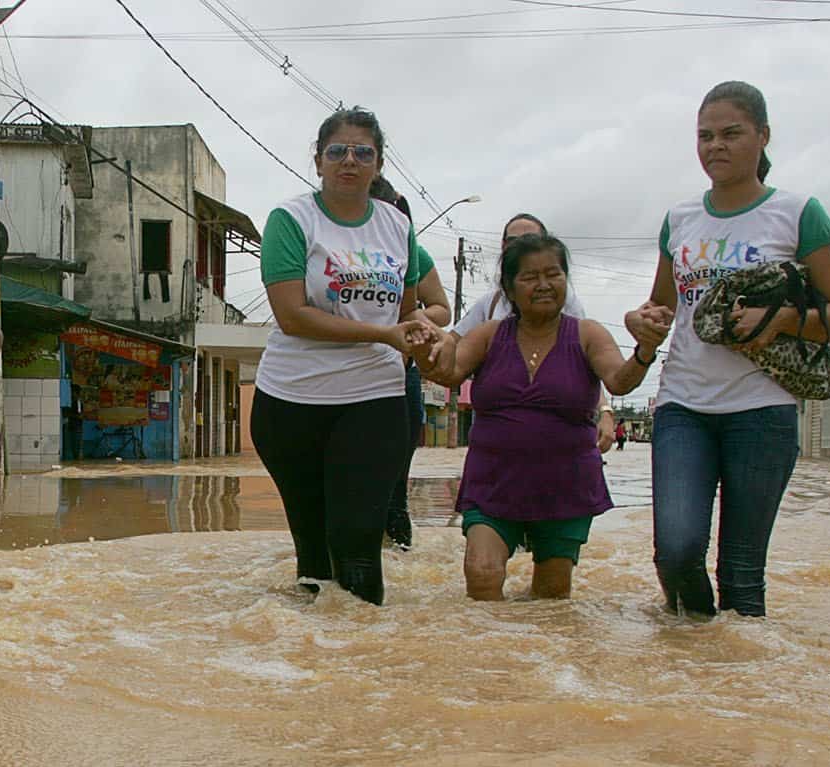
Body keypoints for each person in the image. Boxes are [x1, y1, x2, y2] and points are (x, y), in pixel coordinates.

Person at [626, 80, 830, 618]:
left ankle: (727, 691)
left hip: (763, 410)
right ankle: (693, 656)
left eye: (731, 133)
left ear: (763, 136)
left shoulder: (799, 213)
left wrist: (776, 321)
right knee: (677, 552)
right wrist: (640, 320)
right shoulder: (679, 220)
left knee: (742, 576)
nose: (715, 146)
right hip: (683, 404)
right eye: (704, 136)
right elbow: (661, 306)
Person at [251, 107, 451, 605]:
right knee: (315, 553)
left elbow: (407, 315)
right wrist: (381, 335)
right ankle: (311, 670)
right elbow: (292, 315)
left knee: (359, 548)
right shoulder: (291, 220)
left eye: (364, 152)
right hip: (290, 403)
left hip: (374, 399)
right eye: (337, 151)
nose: (349, 161)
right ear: (318, 160)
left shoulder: (397, 227)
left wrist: (420, 335)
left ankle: (369, 668)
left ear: (378, 164)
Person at [413, 233, 664, 600]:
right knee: (481, 574)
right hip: (493, 480)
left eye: (553, 274)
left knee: (550, 598)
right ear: (510, 289)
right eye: (530, 277)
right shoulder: (488, 335)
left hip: (565, 484)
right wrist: (423, 350)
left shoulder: (587, 334)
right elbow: (447, 374)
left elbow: (620, 381)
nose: (544, 285)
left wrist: (645, 349)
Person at [455, 212, 617, 454]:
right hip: (493, 458)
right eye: (512, 241)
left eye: (529, 239)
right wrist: (422, 337)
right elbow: (449, 353)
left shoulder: (565, 304)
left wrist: (605, 412)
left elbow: (590, 366)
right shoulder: (489, 305)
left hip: (566, 457)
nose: (521, 246)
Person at [368, 175, 426, 551]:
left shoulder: (408, 251)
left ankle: (399, 561)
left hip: (397, 379)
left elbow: (438, 306)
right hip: (336, 381)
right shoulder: (326, 246)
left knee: (394, 490)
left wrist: (410, 322)